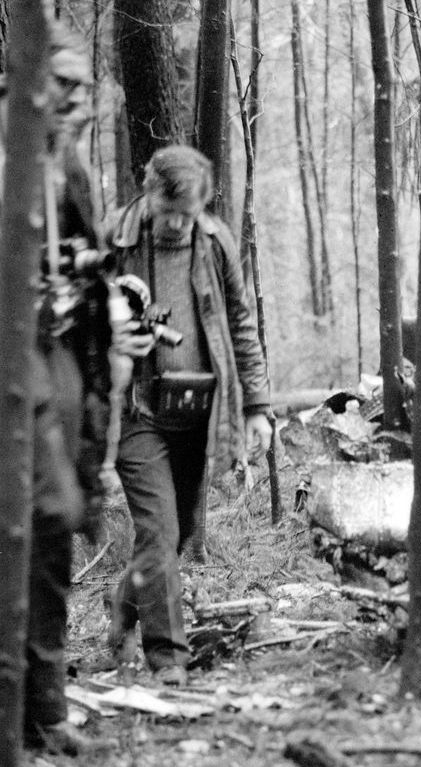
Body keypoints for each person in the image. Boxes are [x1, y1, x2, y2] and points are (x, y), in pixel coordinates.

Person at [1, 21, 137, 756]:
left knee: (52, 522)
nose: (79, 102)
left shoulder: (72, 167)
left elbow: (90, 264)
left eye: (86, 89)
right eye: (64, 87)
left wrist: (106, 294)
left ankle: (44, 710)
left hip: (59, 362)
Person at [105, 145, 273, 686]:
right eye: (168, 211)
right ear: (146, 191)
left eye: (188, 213)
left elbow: (240, 325)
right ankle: (168, 658)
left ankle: (125, 601)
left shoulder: (216, 241)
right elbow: (81, 325)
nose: (177, 224)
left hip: (200, 414)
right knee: (158, 532)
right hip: (137, 411)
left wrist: (257, 406)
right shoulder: (114, 241)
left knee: (171, 540)